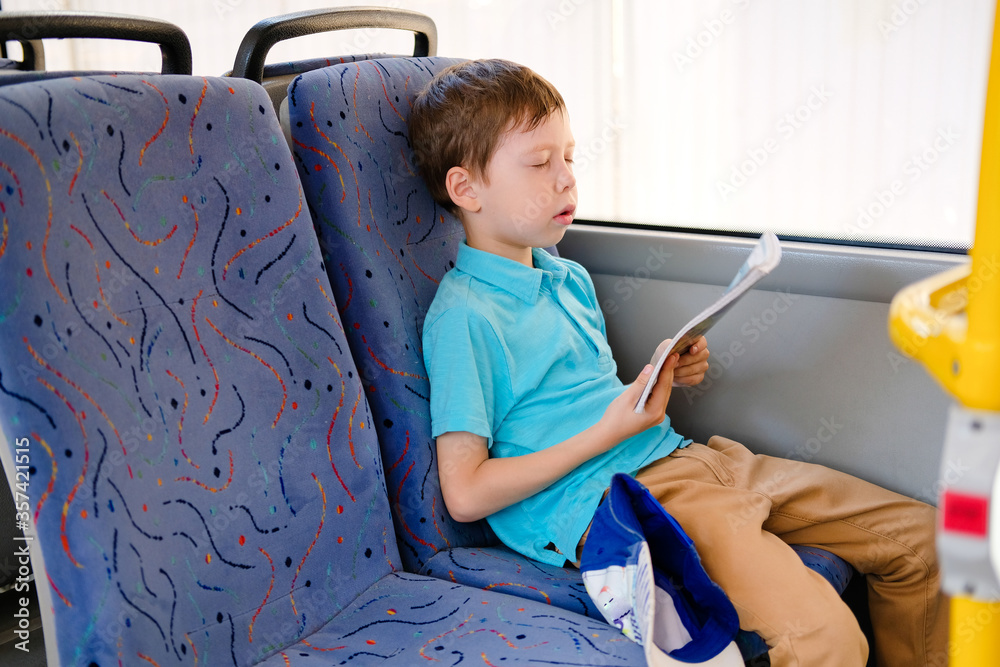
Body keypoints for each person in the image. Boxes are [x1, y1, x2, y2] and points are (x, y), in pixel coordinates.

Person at [410, 58, 947, 667]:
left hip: (691, 458)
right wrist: (609, 431)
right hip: (627, 501)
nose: (566, 179)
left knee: (925, 545)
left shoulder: (568, 278)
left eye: (570, 157)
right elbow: (466, 493)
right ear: (466, 190)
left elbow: (580, 396)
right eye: (539, 163)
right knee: (826, 638)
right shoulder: (464, 317)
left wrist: (662, 375)